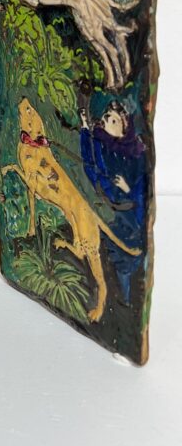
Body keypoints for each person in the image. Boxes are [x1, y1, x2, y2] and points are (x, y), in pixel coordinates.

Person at [80, 102, 147, 305]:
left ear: (124, 125)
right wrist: (85, 128)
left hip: (132, 215)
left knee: (130, 252)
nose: (107, 121)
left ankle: (128, 292)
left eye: (114, 120)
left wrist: (128, 189)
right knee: (113, 250)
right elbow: (91, 165)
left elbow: (143, 189)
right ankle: (120, 293)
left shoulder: (136, 153)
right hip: (112, 211)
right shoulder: (102, 146)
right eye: (106, 117)